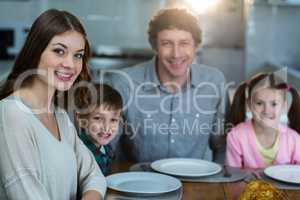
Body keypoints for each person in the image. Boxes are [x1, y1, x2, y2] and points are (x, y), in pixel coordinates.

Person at [0, 9, 106, 200]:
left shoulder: (61, 117)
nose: (71, 64)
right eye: (59, 51)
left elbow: (94, 175)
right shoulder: (11, 114)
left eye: (78, 55)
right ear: (36, 50)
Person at [109, 8, 228, 162]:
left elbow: (222, 146)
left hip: (196, 183)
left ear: (196, 46)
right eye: (166, 43)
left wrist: (218, 183)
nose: (176, 54)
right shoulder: (123, 83)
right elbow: (106, 147)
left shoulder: (214, 81)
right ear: (155, 46)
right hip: (138, 181)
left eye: (184, 43)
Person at [225, 72, 300, 169]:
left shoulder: (294, 139)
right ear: (249, 104)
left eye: (274, 104)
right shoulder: (236, 136)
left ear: (284, 106)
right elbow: (232, 175)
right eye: (259, 103)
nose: (266, 110)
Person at [75, 83, 122, 175]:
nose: (106, 127)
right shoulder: (81, 152)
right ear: (81, 119)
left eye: (113, 120)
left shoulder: (106, 147)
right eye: (98, 118)